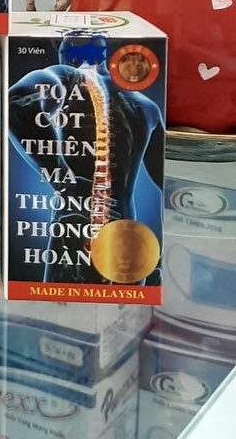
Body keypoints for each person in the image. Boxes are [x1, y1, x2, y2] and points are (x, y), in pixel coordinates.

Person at [8, 32, 165, 285]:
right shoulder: (146, 107)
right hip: (126, 237)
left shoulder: (65, 75)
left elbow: (16, 103)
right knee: (122, 308)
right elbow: (165, 185)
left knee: (59, 306)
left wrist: (61, 175)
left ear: (65, 54)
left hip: (75, 225)